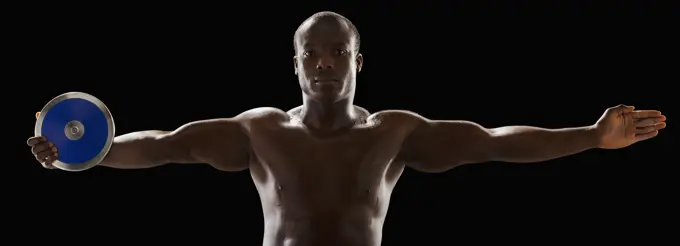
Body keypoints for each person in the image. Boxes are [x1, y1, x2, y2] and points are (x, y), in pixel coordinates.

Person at [27, 11, 666, 246]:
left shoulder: (393, 133)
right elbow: (163, 147)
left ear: (359, 62)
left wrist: (589, 136)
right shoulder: (259, 132)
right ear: (296, 62)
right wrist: (80, 158)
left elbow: (495, 142)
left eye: (337, 52)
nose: (324, 63)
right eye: (312, 53)